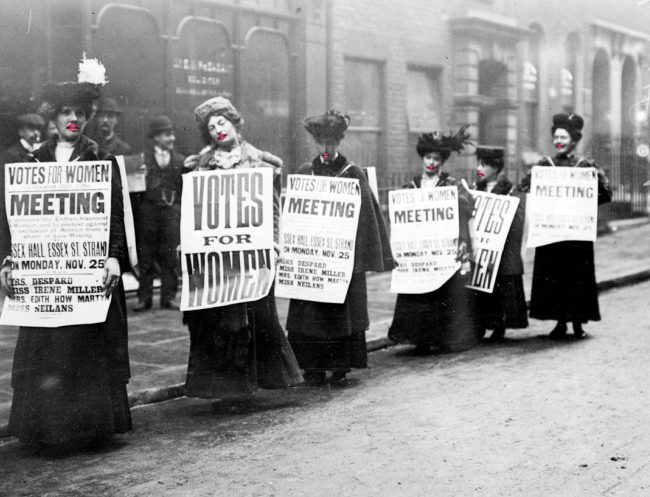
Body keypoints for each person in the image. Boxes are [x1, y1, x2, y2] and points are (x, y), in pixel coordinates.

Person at [0, 56, 132, 452]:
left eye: (80, 113)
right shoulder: (31, 162)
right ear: (52, 118)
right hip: (47, 275)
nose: (72, 119)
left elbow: (116, 219)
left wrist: (114, 258)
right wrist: (10, 260)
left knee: (85, 348)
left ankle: (87, 429)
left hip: (88, 273)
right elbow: (17, 222)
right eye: (65, 113)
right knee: (48, 349)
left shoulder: (102, 161)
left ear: (88, 117)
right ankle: (47, 428)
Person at [181, 96, 302, 412]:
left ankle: (247, 387)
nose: (218, 130)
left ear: (235, 123)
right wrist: (188, 239)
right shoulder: (201, 165)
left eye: (222, 122)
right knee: (217, 322)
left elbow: (273, 210)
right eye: (211, 127)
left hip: (252, 256)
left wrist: (275, 242)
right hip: (215, 259)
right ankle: (223, 389)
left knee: (251, 320)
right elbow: (193, 210)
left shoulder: (262, 164)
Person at [286, 110, 394, 386]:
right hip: (313, 258)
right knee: (311, 316)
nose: (326, 149)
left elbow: (367, 219)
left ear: (339, 142)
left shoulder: (353, 174)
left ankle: (339, 367)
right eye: (321, 143)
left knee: (339, 316)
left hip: (342, 261)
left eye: (331, 143)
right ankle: (312, 367)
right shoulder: (304, 173)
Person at [519, 112, 612, 340]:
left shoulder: (586, 166)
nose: (558, 141)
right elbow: (525, 186)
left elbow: (606, 193)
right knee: (555, 276)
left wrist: (588, 195)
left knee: (576, 276)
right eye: (556, 137)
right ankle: (560, 321)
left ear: (574, 140)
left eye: (564, 137)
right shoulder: (544, 165)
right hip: (552, 233)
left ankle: (578, 321)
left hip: (576, 235)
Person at [388, 127, 478, 354]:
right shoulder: (412, 186)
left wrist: (457, 199)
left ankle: (442, 337)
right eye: (428, 157)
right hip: (420, 251)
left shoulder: (451, 185)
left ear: (442, 161)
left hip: (442, 251)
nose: (431, 162)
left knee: (442, 292)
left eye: (436, 159)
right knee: (419, 292)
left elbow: (468, 208)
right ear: (422, 157)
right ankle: (420, 337)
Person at [471, 146, 528, 341]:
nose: (479, 168)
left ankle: (498, 324)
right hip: (480, 248)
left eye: (484, 164)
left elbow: (517, 219)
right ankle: (479, 324)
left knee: (498, 288)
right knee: (478, 288)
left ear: (495, 168)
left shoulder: (509, 190)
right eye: (478, 163)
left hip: (500, 250)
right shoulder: (475, 188)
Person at [134, 115, 185, 311]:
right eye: (166, 135)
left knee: (170, 256)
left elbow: (184, 189)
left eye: (172, 134)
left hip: (171, 213)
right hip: (149, 213)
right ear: (155, 137)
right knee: (145, 256)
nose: (171, 138)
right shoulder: (142, 160)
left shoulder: (180, 161)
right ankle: (144, 297)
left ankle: (168, 297)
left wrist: (177, 208)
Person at [0, 113, 46, 264]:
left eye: (39, 129)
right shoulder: (9, 156)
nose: (36, 133)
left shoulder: (42, 154)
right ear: (21, 131)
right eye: (31, 129)